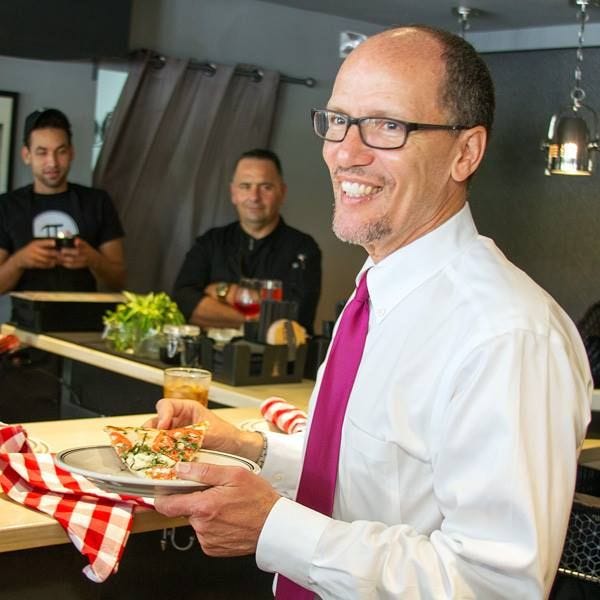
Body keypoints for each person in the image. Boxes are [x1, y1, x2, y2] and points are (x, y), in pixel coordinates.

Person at [150, 26, 592, 599]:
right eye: (339, 120)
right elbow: (372, 482)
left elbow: (493, 586)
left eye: (387, 125)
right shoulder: (376, 292)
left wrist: (274, 529)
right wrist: (250, 448)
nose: (345, 152)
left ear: (465, 152)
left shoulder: (510, 336)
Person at [172, 148, 321, 334]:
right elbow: (183, 302)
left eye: (265, 187)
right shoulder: (210, 242)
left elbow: (295, 320)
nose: (254, 197)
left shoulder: (303, 249)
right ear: (233, 193)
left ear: (282, 193)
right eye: (245, 186)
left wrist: (219, 292)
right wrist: (247, 309)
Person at [0, 108, 126, 296]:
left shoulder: (97, 201)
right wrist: (19, 260)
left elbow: (119, 281)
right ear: (27, 155)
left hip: (86, 314)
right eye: (42, 152)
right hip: (27, 315)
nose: (52, 162)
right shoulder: (6, 206)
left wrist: (93, 259)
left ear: (71, 152)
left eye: (61, 151)